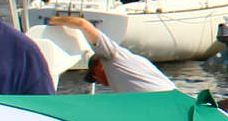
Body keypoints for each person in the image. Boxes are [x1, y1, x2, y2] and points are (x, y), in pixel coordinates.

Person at [42, 14, 174, 92]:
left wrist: (54, 20)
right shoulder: (120, 80)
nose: (98, 82)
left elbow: (83, 24)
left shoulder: (113, 56)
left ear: (99, 65)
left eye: (94, 77)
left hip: (164, 99)